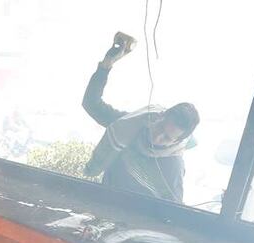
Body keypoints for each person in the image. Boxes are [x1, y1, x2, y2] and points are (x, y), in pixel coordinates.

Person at [82, 32, 200, 203]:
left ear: (176, 142)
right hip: (103, 204)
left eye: (166, 138)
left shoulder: (172, 166)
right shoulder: (130, 127)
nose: (157, 137)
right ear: (158, 117)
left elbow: (172, 212)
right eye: (160, 128)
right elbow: (91, 104)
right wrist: (106, 65)